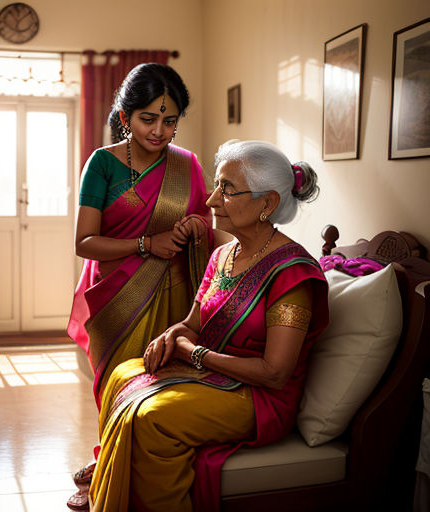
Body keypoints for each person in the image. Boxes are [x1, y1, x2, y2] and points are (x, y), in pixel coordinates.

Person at [85, 140, 330, 512]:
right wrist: (173, 335)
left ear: (267, 204)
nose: (212, 200)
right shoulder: (222, 255)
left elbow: (275, 373)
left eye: (227, 189)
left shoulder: (292, 275)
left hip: (259, 399)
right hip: (215, 375)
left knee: (153, 418)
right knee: (122, 374)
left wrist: (196, 355)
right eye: (217, 185)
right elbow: (193, 323)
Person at [66, 63, 217, 510]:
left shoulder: (186, 165)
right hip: (115, 292)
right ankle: (108, 462)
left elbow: (206, 223)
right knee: (115, 383)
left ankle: (134, 471)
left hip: (173, 289)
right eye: (148, 118)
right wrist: (144, 243)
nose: (160, 131)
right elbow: (84, 242)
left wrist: (193, 226)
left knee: (157, 387)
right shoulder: (103, 163)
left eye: (170, 120)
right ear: (125, 115)